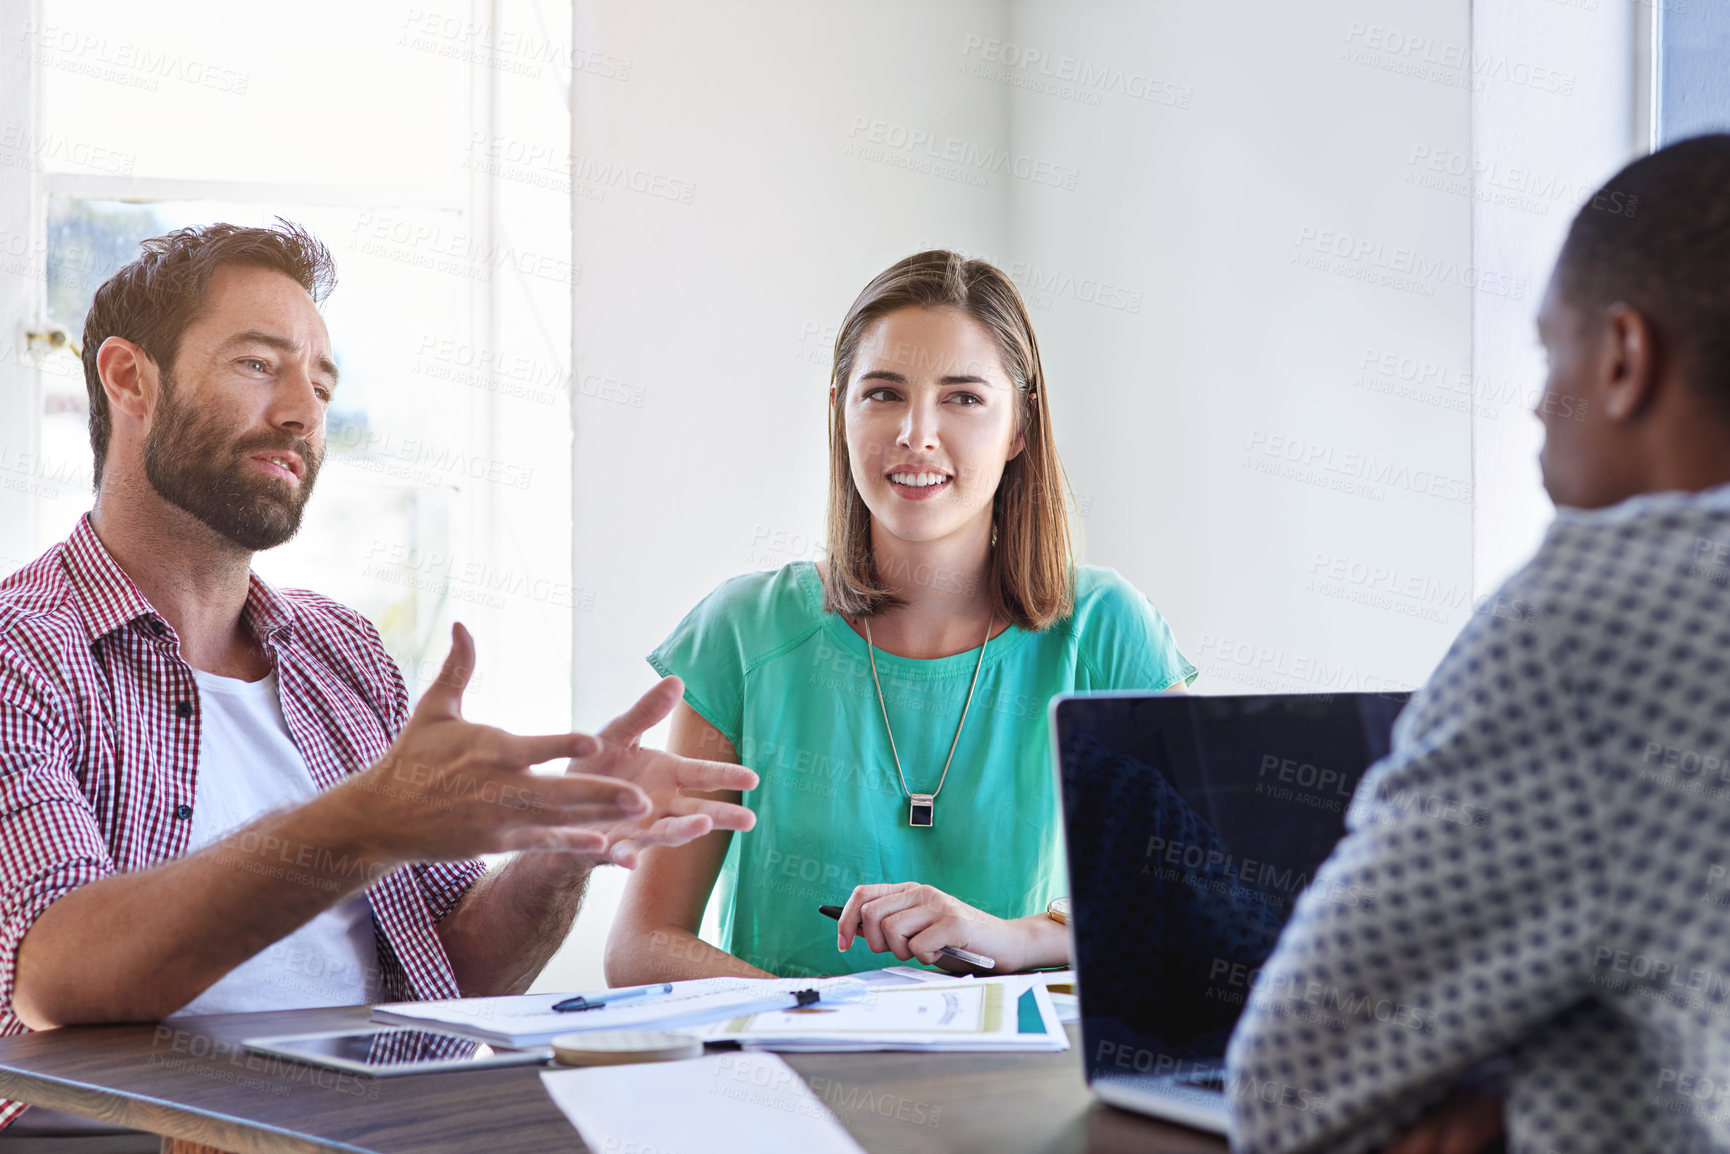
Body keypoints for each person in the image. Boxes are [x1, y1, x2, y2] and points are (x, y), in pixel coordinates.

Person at [0, 222, 758, 1131]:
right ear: (128, 377)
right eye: (257, 365)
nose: (302, 412)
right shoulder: (23, 654)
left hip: (389, 1125)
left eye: (321, 384)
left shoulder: (341, 653)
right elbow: (56, 979)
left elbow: (455, 975)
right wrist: (365, 822)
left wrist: (560, 851)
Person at [1226, 135, 1730, 1154]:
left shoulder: (1593, 622)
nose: (1540, 406)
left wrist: (1509, 1102)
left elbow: (1290, 1090)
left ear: (1623, 358)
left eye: (1552, 355)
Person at [606, 250, 1194, 983]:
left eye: (964, 398)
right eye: (883, 393)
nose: (916, 433)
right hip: (791, 1080)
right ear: (840, 412)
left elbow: (1196, 909)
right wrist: (820, 1024)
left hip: (1023, 1088)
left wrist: (1019, 938)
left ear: (1019, 427)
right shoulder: (741, 633)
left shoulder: (1109, 632)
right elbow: (640, 947)